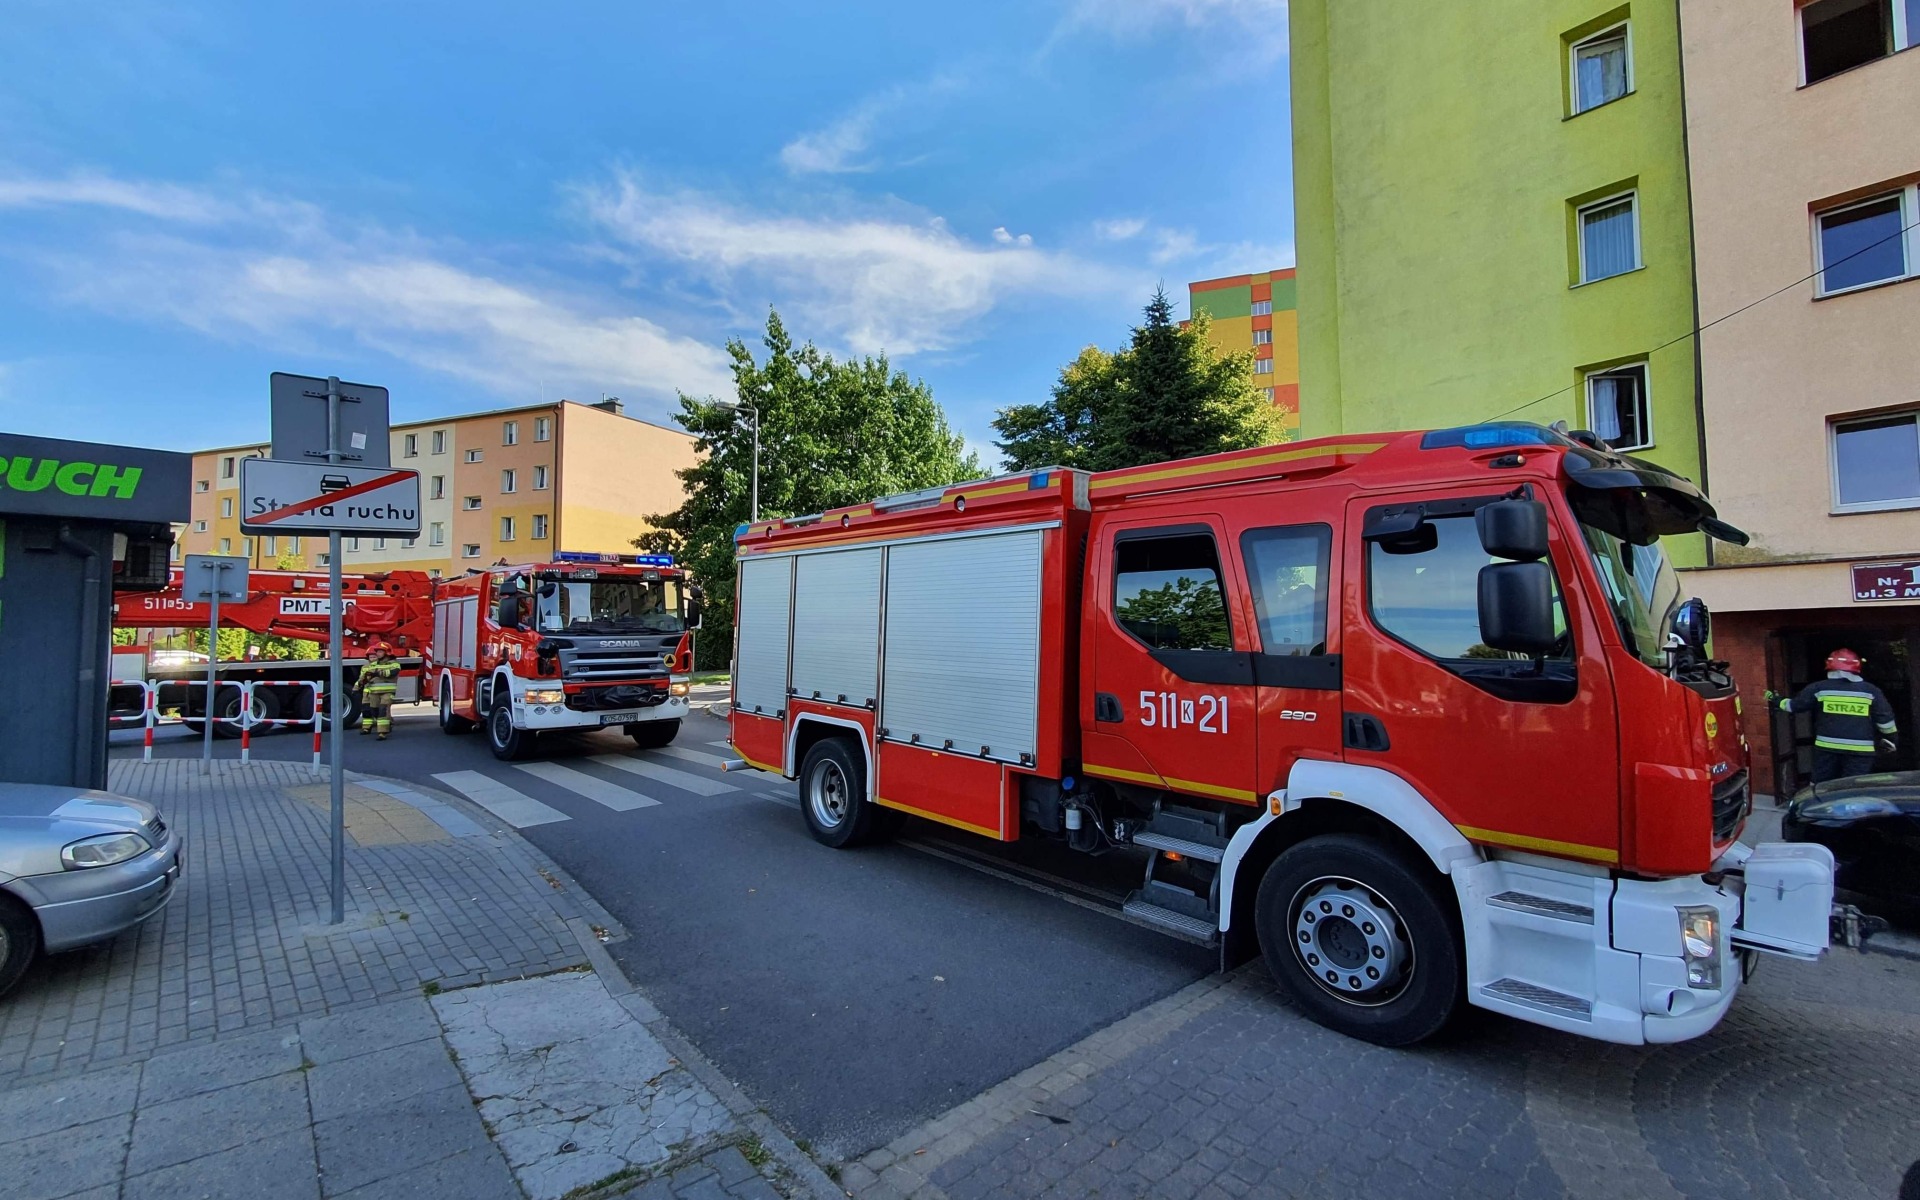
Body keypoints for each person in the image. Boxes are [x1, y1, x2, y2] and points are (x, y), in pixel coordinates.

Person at [1770, 648, 1899, 783]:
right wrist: (1891, 740)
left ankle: (1818, 804)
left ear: (1830, 666)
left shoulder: (1819, 688)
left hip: (1827, 748)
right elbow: (1885, 719)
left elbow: (1795, 706)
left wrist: (1777, 700)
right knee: (1854, 787)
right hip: (1860, 751)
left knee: (1820, 786)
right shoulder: (1871, 691)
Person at [355, 642, 401, 741]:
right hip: (373, 693)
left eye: (380, 651)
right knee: (374, 711)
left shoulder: (394, 664)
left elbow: (392, 673)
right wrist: (357, 687)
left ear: (387, 652)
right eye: (377, 651)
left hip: (388, 692)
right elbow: (364, 677)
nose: (377, 654)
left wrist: (378, 673)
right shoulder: (372, 665)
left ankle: (382, 733)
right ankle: (387, 724)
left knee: (382, 710)